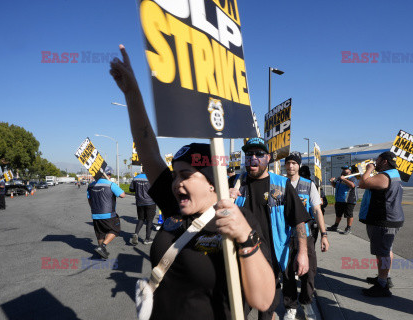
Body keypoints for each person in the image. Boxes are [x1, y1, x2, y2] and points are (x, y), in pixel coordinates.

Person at [109, 44, 276, 319]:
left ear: (213, 182)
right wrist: (132, 93)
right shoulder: (175, 205)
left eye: (186, 176)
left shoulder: (238, 219)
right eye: (175, 176)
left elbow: (264, 299)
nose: (176, 183)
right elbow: (147, 147)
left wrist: (245, 237)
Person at [229, 138, 311, 320]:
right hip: (239, 257)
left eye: (259, 154)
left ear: (268, 158)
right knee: (237, 310)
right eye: (249, 154)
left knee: (266, 311)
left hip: (271, 261)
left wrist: (303, 253)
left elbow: (299, 220)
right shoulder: (235, 183)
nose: (253, 158)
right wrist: (225, 199)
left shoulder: (281, 184)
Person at [282, 152, 329, 320]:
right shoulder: (279, 184)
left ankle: (307, 303)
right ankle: (290, 307)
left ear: (299, 165)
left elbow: (317, 210)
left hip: (306, 236)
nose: (291, 166)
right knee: (287, 274)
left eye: (294, 163)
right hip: (285, 237)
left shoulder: (309, 185)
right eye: (288, 163)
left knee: (309, 273)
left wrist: (324, 234)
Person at [359, 151, 404, 297]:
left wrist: (369, 169)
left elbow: (363, 183)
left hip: (384, 220)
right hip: (389, 218)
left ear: (384, 161)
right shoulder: (394, 174)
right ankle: (384, 277)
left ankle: (382, 285)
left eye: (377, 160)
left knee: (383, 253)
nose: (375, 163)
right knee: (386, 250)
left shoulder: (385, 176)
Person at [87, 167, 125, 259]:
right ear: (108, 175)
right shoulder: (111, 184)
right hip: (109, 214)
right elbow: (122, 195)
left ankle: (101, 252)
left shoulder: (91, 185)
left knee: (100, 233)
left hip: (95, 213)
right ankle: (102, 246)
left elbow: (89, 199)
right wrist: (116, 186)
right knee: (115, 229)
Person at [327, 165, 358, 234]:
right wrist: (332, 182)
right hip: (339, 200)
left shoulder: (352, 178)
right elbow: (335, 186)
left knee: (349, 215)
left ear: (350, 171)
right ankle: (335, 226)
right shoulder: (339, 178)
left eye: (345, 169)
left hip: (349, 200)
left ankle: (348, 228)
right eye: (343, 169)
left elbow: (352, 185)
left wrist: (344, 179)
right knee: (338, 214)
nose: (343, 170)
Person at [129, 170, 156, 245]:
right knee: (149, 221)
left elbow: (131, 189)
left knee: (141, 219)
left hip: (139, 202)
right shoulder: (152, 178)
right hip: (150, 202)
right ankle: (147, 239)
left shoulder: (135, 178)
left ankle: (136, 233)